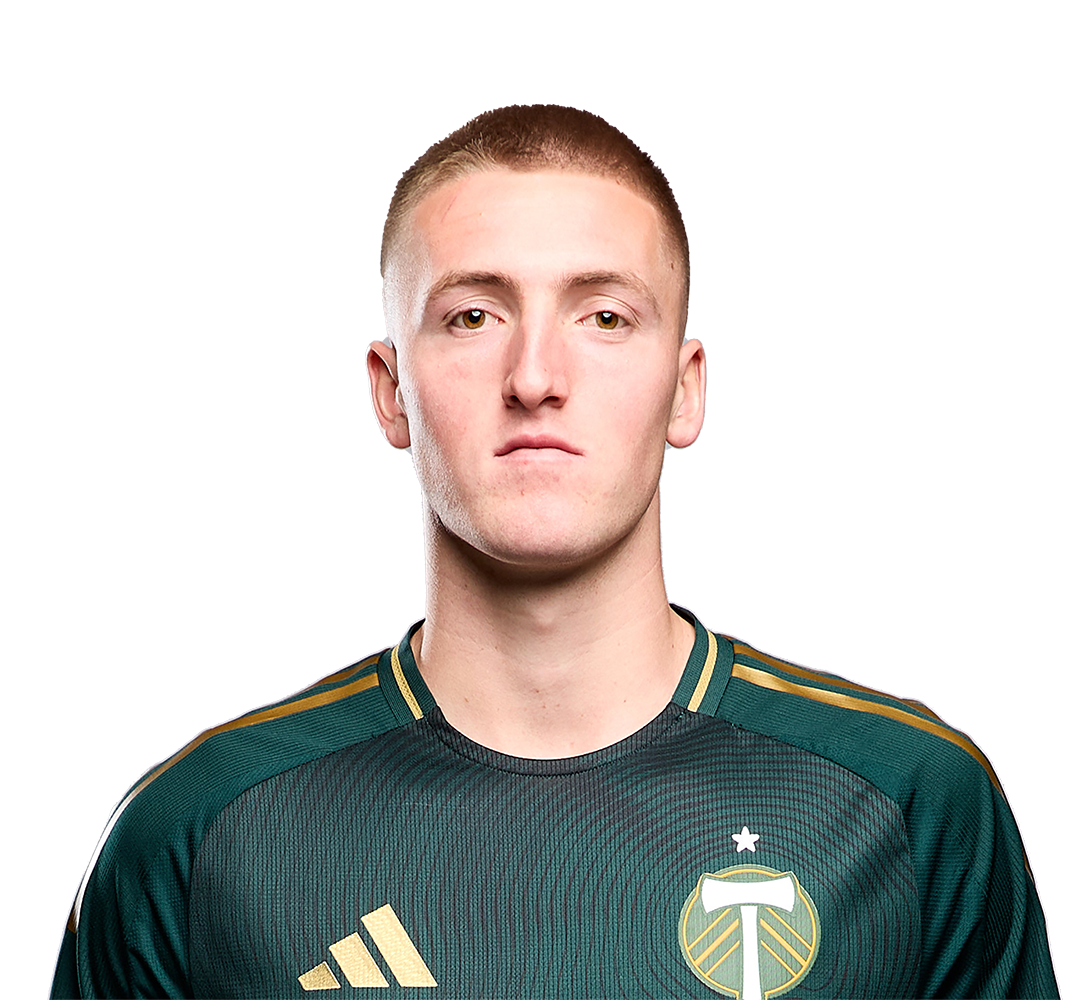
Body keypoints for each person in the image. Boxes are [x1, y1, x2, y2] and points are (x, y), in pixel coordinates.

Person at [51, 104, 1057, 1000]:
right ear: (391, 392)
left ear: (684, 389)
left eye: (604, 316)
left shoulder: (908, 803)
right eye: (473, 316)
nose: (535, 376)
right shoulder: (200, 833)